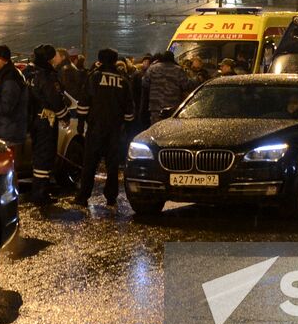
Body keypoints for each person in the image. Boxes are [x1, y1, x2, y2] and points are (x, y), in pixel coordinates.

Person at [76, 48, 135, 210]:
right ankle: (111, 197)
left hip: (95, 128)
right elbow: (129, 108)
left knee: (89, 164)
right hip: (115, 130)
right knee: (112, 165)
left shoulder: (94, 77)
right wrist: (127, 128)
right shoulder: (123, 80)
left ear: (100, 59)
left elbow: (84, 102)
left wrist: (81, 123)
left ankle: (83, 197)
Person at [27, 44, 68, 203]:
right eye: (55, 55)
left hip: (34, 120)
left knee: (39, 157)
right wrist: (64, 116)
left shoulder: (30, 73)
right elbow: (54, 99)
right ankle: (40, 194)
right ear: (49, 59)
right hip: (46, 121)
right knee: (45, 157)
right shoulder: (47, 76)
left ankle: (38, 191)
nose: (57, 58)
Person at [143, 51, 191, 123]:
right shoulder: (178, 70)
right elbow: (185, 86)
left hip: (155, 106)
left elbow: (144, 83)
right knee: (170, 127)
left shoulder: (152, 68)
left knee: (155, 127)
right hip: (172, 107)